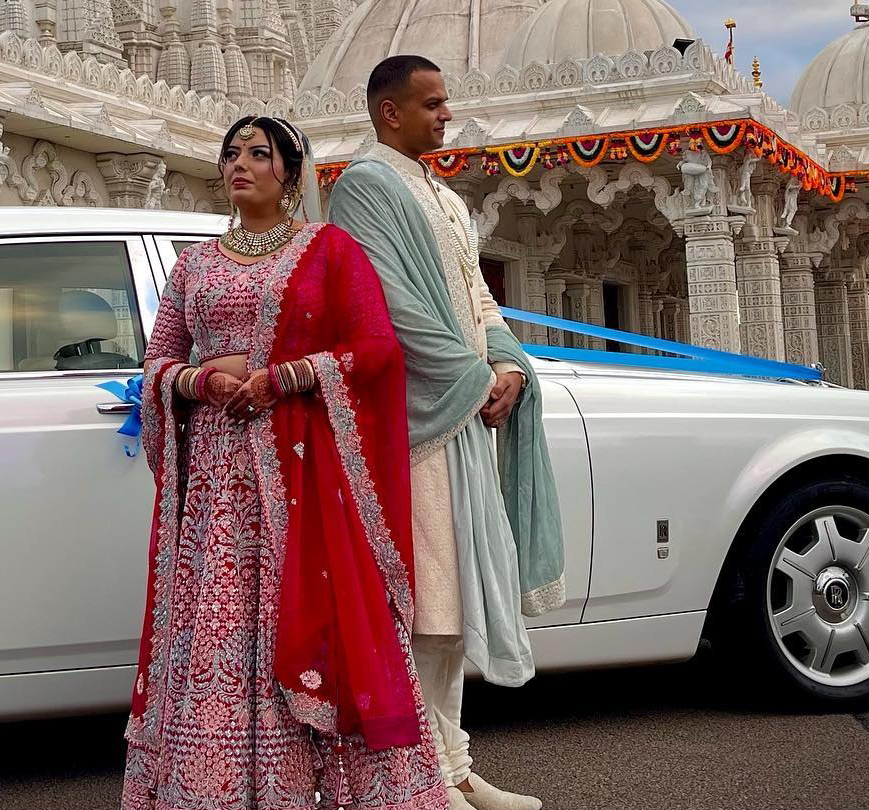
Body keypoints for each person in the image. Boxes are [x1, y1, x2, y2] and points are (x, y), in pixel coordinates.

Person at [121, 115, 449, 810]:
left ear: (290, 173)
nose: (241, 163)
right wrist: (197, 382)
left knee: (302, 617)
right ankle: (210, 789)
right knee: (218, 624)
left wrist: (284, 378)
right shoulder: (193, 264)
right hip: (214, 480)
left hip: (300, 474)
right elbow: (156, 363)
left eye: (259, 153)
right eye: (231, 153)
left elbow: (377, 350)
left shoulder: (329, 251)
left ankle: (311, 789)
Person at [327, 56, 567, 810]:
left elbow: (477, 302)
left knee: (455, 605)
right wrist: (472, 381)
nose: (445, 116)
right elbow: (390, 308)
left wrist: (512, 368)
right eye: (432, 105)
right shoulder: (364, 189)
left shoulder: (444, 197)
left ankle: (455, 767)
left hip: (462, 414)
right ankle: (424, 778)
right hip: (417, 424)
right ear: (388, 112)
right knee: (428, 606)